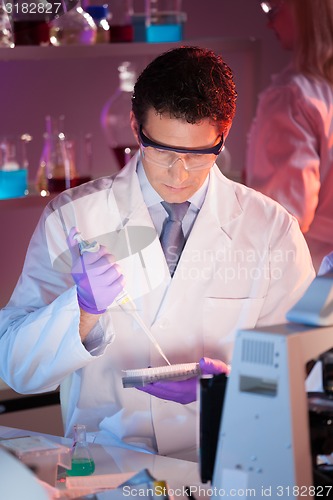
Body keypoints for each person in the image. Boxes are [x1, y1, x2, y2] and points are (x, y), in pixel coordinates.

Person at [0, 46, 314, 461]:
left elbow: (308, 379)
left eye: (199, 155)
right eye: (163, 151)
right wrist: (82, 310)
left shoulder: (272, 230)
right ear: (136, 127)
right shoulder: (74, 217)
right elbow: (16, 368)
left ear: (224, 134)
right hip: (106, 463)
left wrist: (227, 385)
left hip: (224, 460)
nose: (179, 174)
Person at [245, 0, 333, 272]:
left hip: (314, 283)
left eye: (274, 9)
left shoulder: (292, 97)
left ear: (306, 12)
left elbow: (283, 218)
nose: (269, 23)